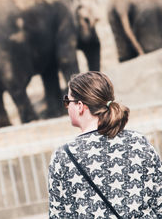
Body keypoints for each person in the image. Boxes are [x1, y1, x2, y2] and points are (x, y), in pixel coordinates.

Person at [48, 71, 162, 218]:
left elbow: (58, 215)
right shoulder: (139, 142)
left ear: (80, 106)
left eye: (67, 101)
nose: (66, 106)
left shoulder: (63, 156)